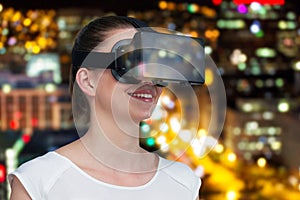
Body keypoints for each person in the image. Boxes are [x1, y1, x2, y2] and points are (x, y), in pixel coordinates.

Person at [8, 15, 201, 200]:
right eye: (128, 62)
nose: (147, 79)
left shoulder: (184, 183)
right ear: (87, 81)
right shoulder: (38, 182)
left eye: (154, 66)